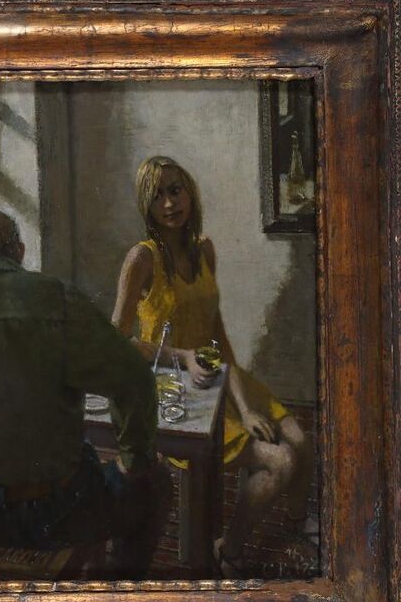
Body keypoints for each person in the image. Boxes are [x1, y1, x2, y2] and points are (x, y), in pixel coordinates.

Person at [0, 205, 171, 579]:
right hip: (58, 512)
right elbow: (135, 379)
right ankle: (116, 590)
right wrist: (133, 460)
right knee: (154, 482)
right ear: (20, 252)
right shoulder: (60, 301)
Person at [112, 155, 317, 576]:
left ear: (189, 191)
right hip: (172, 384)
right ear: (146, 206)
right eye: (157, 197)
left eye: (175, 191)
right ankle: (231, 549)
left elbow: (217, 335)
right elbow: (118, 339)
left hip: (217, 371)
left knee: (301, 440)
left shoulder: (204, 249)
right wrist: (182, 357)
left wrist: (245, 406)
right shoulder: (141, 258)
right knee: (280, 462)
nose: (169, 204)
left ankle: (297, 528)